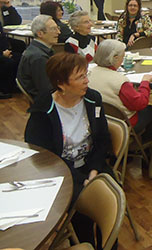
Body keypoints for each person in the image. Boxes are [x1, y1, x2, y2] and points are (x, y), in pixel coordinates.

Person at [25, 52, 112, 245]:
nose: (87, 81)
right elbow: (44, 156)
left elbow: (102, 139)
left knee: (112, 199)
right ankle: (85, 245)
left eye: (86, 74)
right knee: (84, 210)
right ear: (61, 84)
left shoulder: (93, 99)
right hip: (61, 172)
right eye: (80, 77)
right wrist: (81, 180)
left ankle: (107, 245)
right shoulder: (43, 110)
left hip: (92, 163)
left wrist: (94, 171)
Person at [88, 40, 152, 142]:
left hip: (96, 119)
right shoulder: (120, 81)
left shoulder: (88, 73)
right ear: (115, 58)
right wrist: (145, 83)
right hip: (121, 123)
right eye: (122, 57)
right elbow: (139, 104)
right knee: (150, 110)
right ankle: (149, 142)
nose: (123, 60)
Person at [17, 15, 59, 100]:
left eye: (58, 28)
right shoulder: (39, 57)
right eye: (53, 29)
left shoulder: (39, 50)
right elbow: (46, 89)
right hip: (47, 101)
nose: (58, 32)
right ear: (40, 33)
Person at [0, 21, 19, 98]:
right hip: (2, 53)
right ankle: (3, 89)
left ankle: (12, 85)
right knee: (7, 62)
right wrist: (2, 54)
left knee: (19, 57)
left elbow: (2, 37)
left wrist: (7, 50)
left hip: (5, 51)